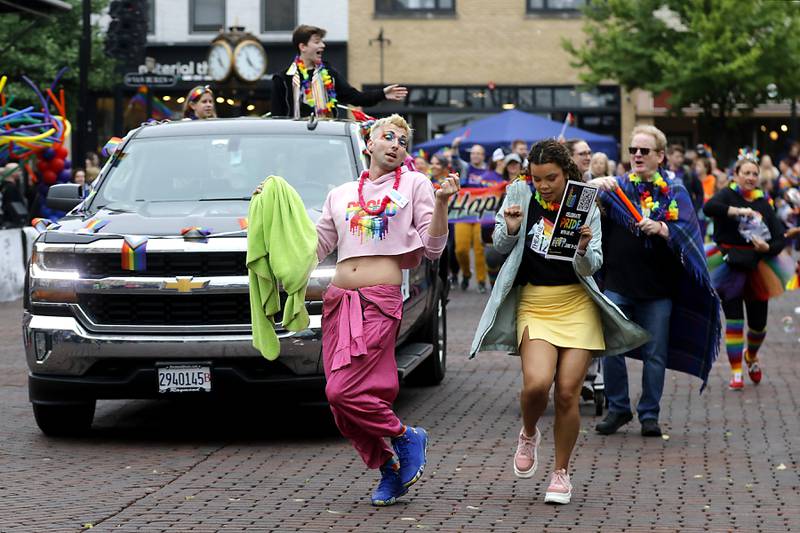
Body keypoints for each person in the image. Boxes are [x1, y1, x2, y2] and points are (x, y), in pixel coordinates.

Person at [470, 140, 648, 505]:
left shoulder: (583, 202)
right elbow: (501, 246)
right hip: (536, 303)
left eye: (550, 177)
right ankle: (529, 432)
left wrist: (582, 249)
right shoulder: (519, 191)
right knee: (536, 385)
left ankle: (561, 473)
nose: (543, 185)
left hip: (577, 303)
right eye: (537, 179)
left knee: (568, 392)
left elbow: (593, 263)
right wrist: (512, 226)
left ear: (566, 172)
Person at [314, 114, 459, 506]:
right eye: (388, 137)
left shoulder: (414, 184)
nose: (396, 144)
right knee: (341, 406)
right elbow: (315, 246)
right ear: (369, 144)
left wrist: (442, 205)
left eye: (403, 141)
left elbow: (432, 248)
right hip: (338, 303)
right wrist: (267, 209)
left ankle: (403, 435)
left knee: (341, 390)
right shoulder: (340, 193)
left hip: (379, 301)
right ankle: (388, 470)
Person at [589, 125, 721, 437]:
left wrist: (663, 229)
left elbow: (689, 234)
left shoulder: (674, 192)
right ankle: (618, 409)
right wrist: (593, 183)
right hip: (618, 283)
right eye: (633, 150)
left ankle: (650, 413)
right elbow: (580, 204)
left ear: (660, 156)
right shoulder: (614, 188)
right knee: (611, 349)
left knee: (655, 354)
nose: (636, 155)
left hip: (659, 289)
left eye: (644, 151)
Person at [703, 157, 786, 389]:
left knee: (759, 325)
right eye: (746, 173)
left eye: (754, 174)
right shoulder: (726, 196)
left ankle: (751, 356)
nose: (750, 178)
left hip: (757, 267)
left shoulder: (763, 203)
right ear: (736, 175)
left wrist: (767, 248)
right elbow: (708, 208)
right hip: (728, 265)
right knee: (735, 320)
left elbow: (779, 238)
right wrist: (736, 210)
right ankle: (736, 372)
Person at [272, 25, 407, 118]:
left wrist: (382, 94)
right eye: (317, 42)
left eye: (322, 42)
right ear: (303, 47)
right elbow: (277, 119)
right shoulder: (282, 79)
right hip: (295, 143)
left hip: (325, 141)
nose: (323, 46)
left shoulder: (329, 73)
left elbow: (355, 97)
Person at [451, 138, 492, 292]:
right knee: (460, 249)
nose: (475, 156)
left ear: (483, 156)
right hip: (463, 214)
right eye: (473, 153)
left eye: (478, 153)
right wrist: (455, 147)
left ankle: (481, 281)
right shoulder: (465, 168)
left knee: (479, 249)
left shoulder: (489, 171)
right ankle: (466, 273)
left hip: (482, 215)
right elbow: (455, 161)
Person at [430, 152, 460, 287]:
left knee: (450, 248)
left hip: (450, 219)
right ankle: (439, 280)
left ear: (443, 166)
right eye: (432, 163)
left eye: (437, 163)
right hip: (433, 219)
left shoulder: (449, 181)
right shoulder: (427, 180)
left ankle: (451, 274)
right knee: (437, 250)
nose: (434, 166)